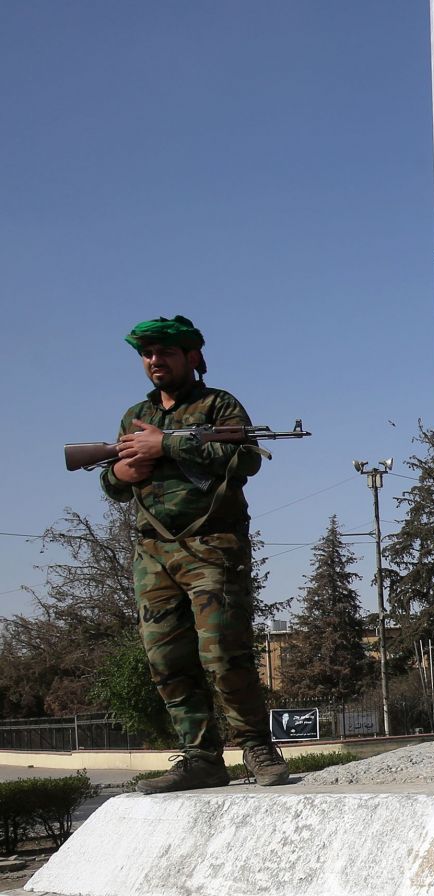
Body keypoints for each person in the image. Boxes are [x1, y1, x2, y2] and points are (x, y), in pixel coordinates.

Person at [102, 316, 288, 793]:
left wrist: (166, 444)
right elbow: (112, 482)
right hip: (154, 551)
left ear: (192, 357)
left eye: (165, 352)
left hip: (213, 545)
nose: (154, 361)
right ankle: (201, 757)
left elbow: (245, 459)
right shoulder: (134, 415)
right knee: (166, 659)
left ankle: (256, 747)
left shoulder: (217, 405)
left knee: (223, 653)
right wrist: (122, 473)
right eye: (146, 354)